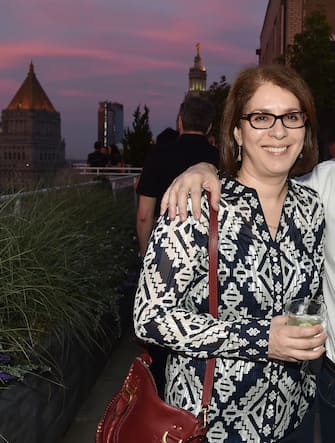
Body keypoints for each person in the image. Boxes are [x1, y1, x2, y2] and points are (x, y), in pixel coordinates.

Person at [134, 64, 327, 443]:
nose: (278, 131)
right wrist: (261, 338)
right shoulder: (197, 203)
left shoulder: (312, 208)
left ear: (305, 130)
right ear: (237, 131)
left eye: (291, 117)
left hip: (296, 417)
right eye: (261, 117)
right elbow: (150, 317)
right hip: (212, 423)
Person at [136, 96, 219, 258]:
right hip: (210, 252)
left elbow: (144, 215)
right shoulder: (220, 158)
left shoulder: (158, 155)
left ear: (180, 121)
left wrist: (146, 255)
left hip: (166, 250)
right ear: (209, 127)